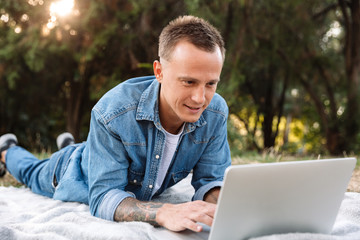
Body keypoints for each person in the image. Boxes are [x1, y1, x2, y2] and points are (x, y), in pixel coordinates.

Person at [0, 15, 231, 232]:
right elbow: (103, 198)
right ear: (159, 72)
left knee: (88, 150)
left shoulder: (216, 112)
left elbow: (211, 180)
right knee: (30, 172)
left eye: (211, 84)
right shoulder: (113, 112)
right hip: (69, 171)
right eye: (189, 82)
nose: (200, 98)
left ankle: (72, 144)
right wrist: (164, 212)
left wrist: (225, 205)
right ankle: (7, 150)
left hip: (101, 155)